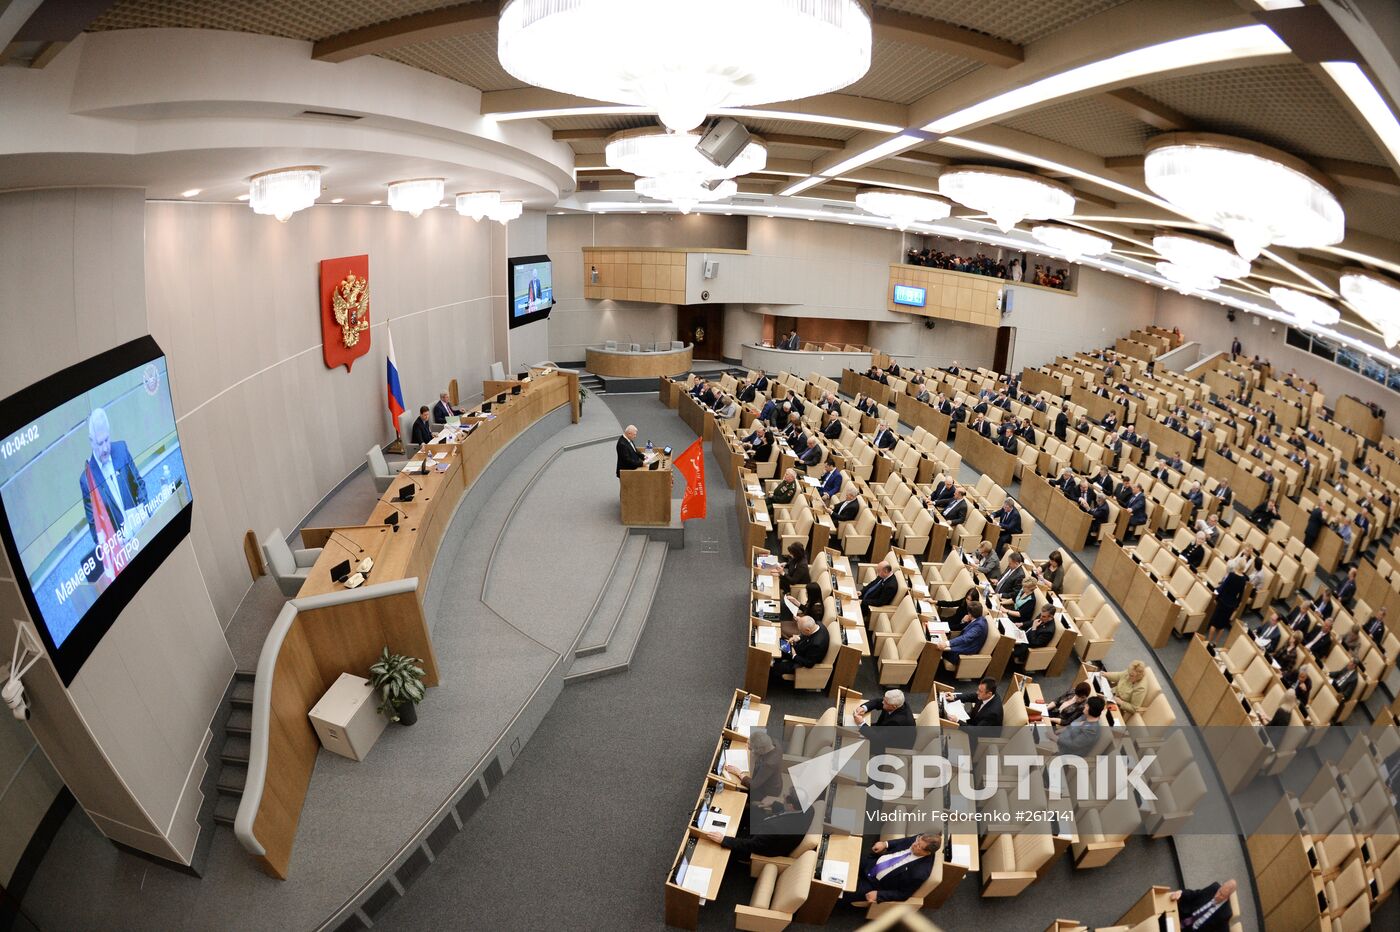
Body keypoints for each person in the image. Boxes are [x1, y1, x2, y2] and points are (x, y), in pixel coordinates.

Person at [79, 407, 149, 553]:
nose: (105, 448)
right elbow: (95, 528)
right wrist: (114, 544)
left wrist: (144, 509)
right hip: (121, 552)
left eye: (107, 440)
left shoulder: (122, 450)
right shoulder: (87, 480)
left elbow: (139, 484)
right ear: (91, 442)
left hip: (142, 532)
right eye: (100, 443)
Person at [705, 790, 812, 858]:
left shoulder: (775, 828)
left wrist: (724, 840)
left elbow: (753, 845)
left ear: (791, 806)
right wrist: (775, 804)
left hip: (763, 845)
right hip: (770, 830)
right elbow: (790, 812)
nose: (783, 796)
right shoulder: (809, 810)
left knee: (717, 842)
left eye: (785, 798)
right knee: (751, 809)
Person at [846, 833, 944, 907]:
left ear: (927, 853)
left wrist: (879, 895)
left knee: (842, 891)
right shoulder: (920, 838)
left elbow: (903, 894)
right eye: (917, 841)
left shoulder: (919, 873)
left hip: (875, 883)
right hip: (873, 863)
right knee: (846, 857)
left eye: (919, 846)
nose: (914, 844)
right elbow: (903, 841)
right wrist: (885, 844)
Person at [722, 730, 784, 806]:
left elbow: (753, 785)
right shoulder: (774, 743)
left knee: (737, 794)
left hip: (766, 790)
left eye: (750, 748)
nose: (746, 747)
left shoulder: (769, 764)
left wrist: (738, 772)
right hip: (767, 776)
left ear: (760, 750)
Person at [853, 689, 914, 754]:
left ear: (893, 706)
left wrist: (861, 723)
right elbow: (877, 702)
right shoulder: (897, 702)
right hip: (884, 729)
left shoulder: (897, 722)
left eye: (885, 702)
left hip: (893, 744)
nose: (882, 702)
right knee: (856, 731)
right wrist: (864, 708)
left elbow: (879, 739)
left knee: (856, 743)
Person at [1206, 558, 1248, 645]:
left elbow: (1223, 587)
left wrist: (1216, 595)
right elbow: (1241, 595)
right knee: (1222, 625)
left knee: (1214, 623)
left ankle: (1208, 641)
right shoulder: (1243, 580)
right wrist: (1236, 605)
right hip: (1231, 605)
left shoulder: (1231, 575)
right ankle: (1215, 643)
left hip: (1223, 601)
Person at [1170, 879, 1238, 932]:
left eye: (1222, 895)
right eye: (1220, 891)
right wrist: (1181, 893)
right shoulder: (1214, 887)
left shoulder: (1226, 913)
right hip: (1184, 914)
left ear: (1228, 896)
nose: (1218, 896)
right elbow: (1196, 894)